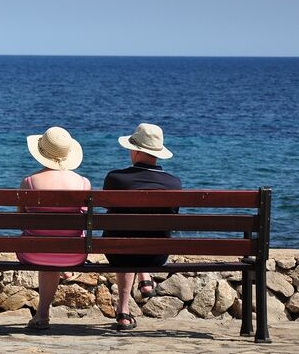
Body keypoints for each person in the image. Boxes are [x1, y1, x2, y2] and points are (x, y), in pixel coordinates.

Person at [103, 123, 182, 330]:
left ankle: (123, 310)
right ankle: (144, 275)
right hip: (155, 256)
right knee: (140, 235)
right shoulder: (174, 184)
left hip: (118, 253)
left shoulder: (115, 179)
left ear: (136, 151)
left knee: (123, 236)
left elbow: (108, 210)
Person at [17, 126, 90, 330]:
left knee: (43, 243)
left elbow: (20, 221)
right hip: (72, 255)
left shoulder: (29, 182)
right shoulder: (83, 183)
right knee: (56, 244)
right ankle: (42, 314)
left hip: (33, 254)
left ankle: (42, 314)